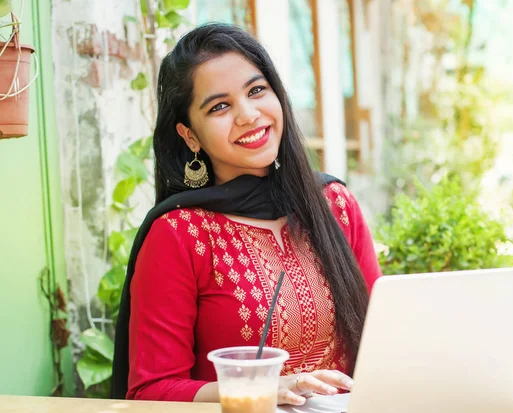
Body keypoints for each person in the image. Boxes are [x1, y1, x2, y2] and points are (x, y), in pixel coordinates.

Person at [111, 22, 382, 406]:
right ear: (190, 135)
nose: (248, 115)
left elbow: (383, 339)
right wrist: (259, 390)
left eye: (257, 90)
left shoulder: (334, 205)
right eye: (219, 106)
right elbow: (151, 389)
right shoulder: (180, 233)